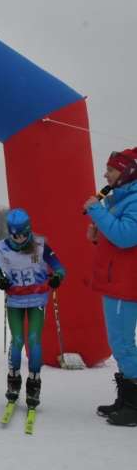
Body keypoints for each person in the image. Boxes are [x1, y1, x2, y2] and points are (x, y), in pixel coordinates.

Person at [0, 208, 65, 410]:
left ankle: (34, 383)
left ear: (29, 230)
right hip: (15, 300)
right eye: (15, 235)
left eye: (24, 234)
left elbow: (59, 267)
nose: (20, 239)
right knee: (17, 341)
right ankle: (13, 381)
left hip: (36, 299)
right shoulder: (1, 248)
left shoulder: (41, 246)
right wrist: (1, 280)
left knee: (34, 340)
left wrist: (57, 277)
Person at [85, 148, 137, 426]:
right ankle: (126, 398)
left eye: (111, 170)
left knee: (123, 344)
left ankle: (134, 404)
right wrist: (97, 234)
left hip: (126, 284)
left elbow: (126, 236)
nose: (105, 174)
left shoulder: (135, 199)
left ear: (126, 172)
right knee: (120, 343)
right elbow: (115, 236)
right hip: (116, 281)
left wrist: (96, 210)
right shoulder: (122, 198)